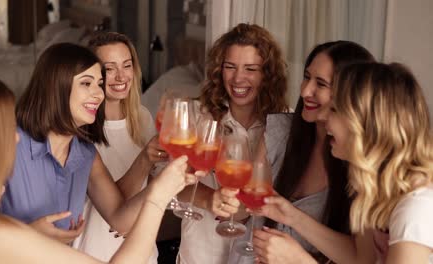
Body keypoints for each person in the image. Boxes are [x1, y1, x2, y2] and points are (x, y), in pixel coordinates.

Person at [0, 72, 200, 263]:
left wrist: (29, 236)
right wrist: (158, 198)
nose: (15, 138)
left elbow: (118, 214)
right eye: (7, 128)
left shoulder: (86, 152)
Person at [0, 43, 192, 246]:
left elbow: (119, 220)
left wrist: (163, 185)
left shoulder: (85, 154)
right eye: (86, 83)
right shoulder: (10, 143)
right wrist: (28, 234)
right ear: (55, 86)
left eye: (99, 84)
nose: (99, 94)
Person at [213, 41, 375, 263]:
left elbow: (361, 258)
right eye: (307, 77)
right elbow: (252, 204)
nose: (306, 90)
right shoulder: (281, 131)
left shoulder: (363, 164)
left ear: (350, 94)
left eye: (321, 83)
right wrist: (226, 203)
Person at [254, 62, 433, 263]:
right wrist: (292, 217)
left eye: (335, 109)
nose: (322, 116)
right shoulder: (374, 190)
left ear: (366, 123)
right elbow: (360, 259)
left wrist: (298, 260)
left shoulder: (416, 208)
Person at [176, 23, 289, 264]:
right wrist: (208, 198)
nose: (239, 78)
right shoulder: (198, 116)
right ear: (219, 70)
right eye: (230, 67)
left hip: (256, 255)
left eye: (251, 69)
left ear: (267, 74)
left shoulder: (284, 125)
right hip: (200, 252)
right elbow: (169, 184)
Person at [71, 32, 165, 263]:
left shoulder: (142, 117)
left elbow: (153, 184)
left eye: (127, 65)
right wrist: (145, 160)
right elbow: (115, 205)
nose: (121, 76)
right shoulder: (81, 128)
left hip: (142, 248)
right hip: (95, 250)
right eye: (109, 68)